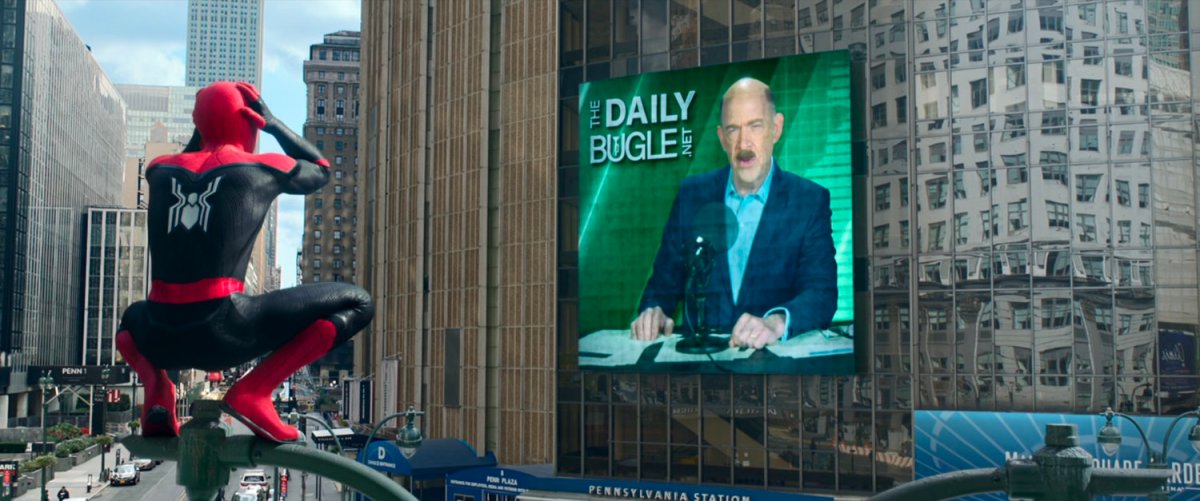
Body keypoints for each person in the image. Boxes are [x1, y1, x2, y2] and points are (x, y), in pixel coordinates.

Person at [115, 81, 374, 442]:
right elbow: (320, 167)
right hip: (224, 331)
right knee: (359, 302)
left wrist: (206, 125)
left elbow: (193, 153)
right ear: (250, 122)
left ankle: (157, 388)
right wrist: (273, 124)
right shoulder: (261, 167)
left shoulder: (158, 170)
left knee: (129, 321)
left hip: (160, 334)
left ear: (197, 123)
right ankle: (254, 391)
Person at [631, 77, 837, 349]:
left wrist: (775, 323)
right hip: (700, 365)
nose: (743, 143)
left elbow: (821, 294)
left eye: (755, 126)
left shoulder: (809, 200)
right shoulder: (692, 195)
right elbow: (661, 287)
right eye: (733, 129)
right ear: (721, 138)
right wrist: (654, 311)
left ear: (776, 129)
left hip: (771, 364)